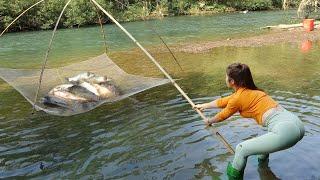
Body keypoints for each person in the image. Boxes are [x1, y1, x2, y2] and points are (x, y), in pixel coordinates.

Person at [194, 63, 305, 179]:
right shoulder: (251, 92)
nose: (225, 78)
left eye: (226, 76)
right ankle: (263, 168)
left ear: (232, 81)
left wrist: (209, 121)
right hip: (296, 124)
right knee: (264, 146)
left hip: (286, 131)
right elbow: (223, 101)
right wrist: (204, 105)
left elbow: (224, 115)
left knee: (241, 149)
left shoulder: (238, 98)